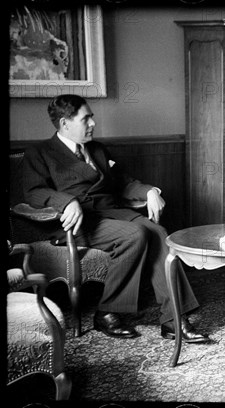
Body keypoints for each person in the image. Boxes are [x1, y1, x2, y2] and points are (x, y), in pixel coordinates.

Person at [21, 94, 210, 343]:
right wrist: (66, 201)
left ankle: (174, 319)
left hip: (111, 214)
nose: (93, 123)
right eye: (86, 118)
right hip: (75, 223)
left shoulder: (97, 149)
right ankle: (107, 312)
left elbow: (123, 182)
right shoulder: (40, 152)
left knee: (160, 233)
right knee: (137, 234)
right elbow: (33, 192)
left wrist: (149, 192)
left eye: (92, 117)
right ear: (65, 123)